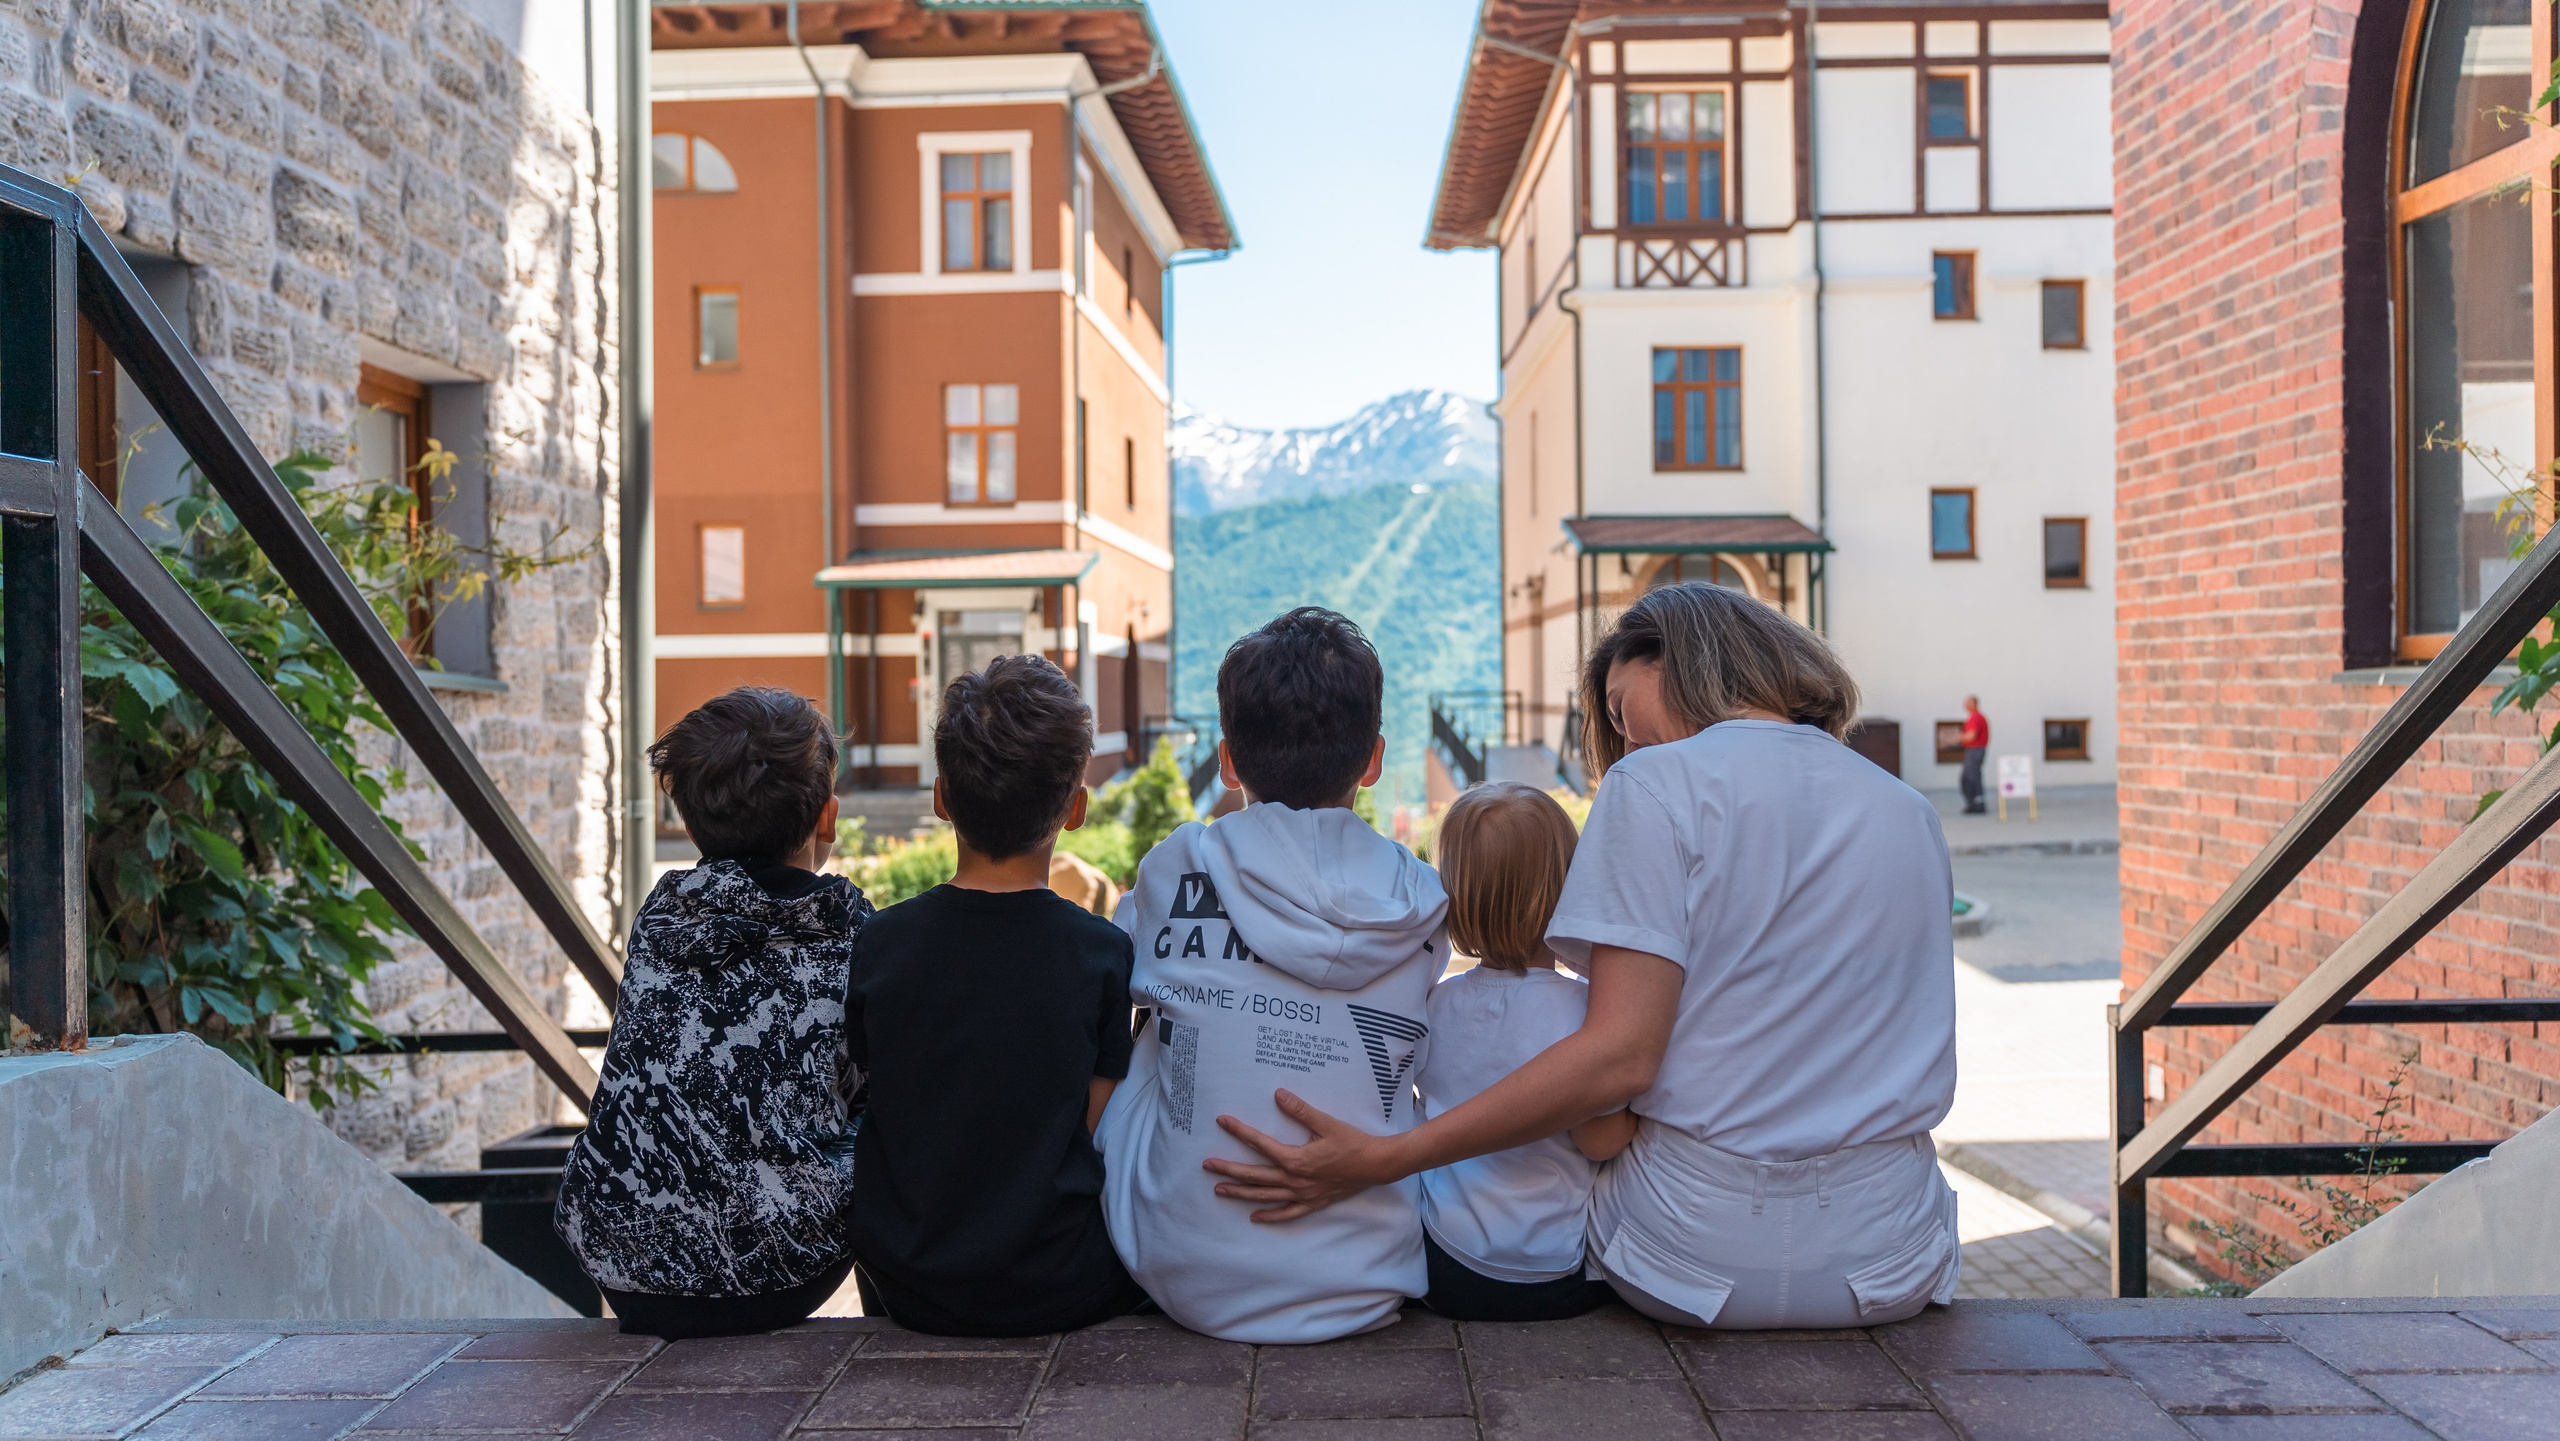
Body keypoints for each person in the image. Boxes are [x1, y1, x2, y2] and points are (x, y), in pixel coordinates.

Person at [1203, 583, 1961, 1331]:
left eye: (1628, 718)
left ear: (1686, 661)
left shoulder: (1656, 783)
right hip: (1892, 1257)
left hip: (1694, 1262)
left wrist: (1392, 1155)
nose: (1628, 748)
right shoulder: (1908, 809)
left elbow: (1618, 1058)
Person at [1097, 606, 1449, 1344]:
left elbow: (1107, 963)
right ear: (1374, 759)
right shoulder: (1420, 900)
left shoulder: (1176, 866)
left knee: (1145, 1038)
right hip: (1369, 1278)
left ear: (1228, 760)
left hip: (1179, 1274)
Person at [845, 653, 1149, 1336]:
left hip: (907, 1280)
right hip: (1060, 1284)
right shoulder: (1101, 954)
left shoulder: (882, 944)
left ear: (941, 798)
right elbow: (1091, 1124)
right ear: (1076, 808)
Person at [555, 687, 872, 1339]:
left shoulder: (663, 914)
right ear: (828, 817)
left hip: (621, 1264)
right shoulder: (847, 926)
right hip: (777, 1275)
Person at [1413, 782, 1629, 1322]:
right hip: (1545, 1273)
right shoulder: (1587, 1014)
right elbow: (1601, 1142)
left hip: (1440, 1262)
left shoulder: (1435, 1004)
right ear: (1571, 888)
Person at [1959, 696, 1989, 815]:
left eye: (1966, 703)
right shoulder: (1976, 717)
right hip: (1974, 750)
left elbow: (1971, 736)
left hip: (1975, 750)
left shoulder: (1975, 717)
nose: (1964, 705)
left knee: (1971, 778)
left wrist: (1957, 737)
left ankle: (1977, 804)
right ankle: (1974, 804)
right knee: (1970, 777)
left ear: (1973, 704)